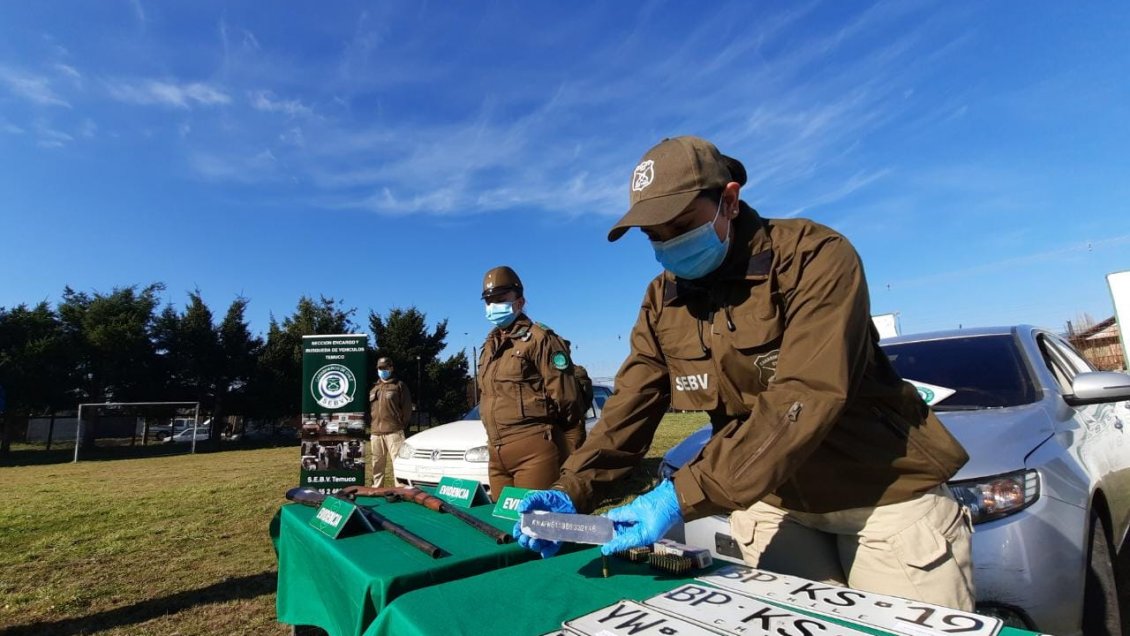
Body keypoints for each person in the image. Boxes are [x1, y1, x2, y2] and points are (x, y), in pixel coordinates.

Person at [515, 136, 975, 611]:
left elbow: (806, 393)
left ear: (729, 201)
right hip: (775, 506)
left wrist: (678, 495)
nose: (669, 244)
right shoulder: (662, 301)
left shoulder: (813, 257)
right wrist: (570, 490)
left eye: (682, 225)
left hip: (881, 498)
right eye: (655, 235)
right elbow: (628, 406)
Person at [477, 266, 586, 498]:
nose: (493, 306)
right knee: (503, 523)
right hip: (496, 452)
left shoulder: (540, 339)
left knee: (536, 524)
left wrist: (564, 443)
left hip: (534, 451)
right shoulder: (489, 346)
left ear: (519, 301)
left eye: (500, 298)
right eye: (488, 300)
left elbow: (567, 398)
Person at [368, 357, 413, 487]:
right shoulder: (374, 388)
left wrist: (401, 424)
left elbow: (407, 408)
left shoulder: (399, 385)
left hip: (394, 432)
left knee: (398, 463)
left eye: (385, 368)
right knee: (377, 464)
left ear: (391, 368)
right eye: (380, 368)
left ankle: (400, 490)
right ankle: (377, 489)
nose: (383, 370)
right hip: (376, 432)